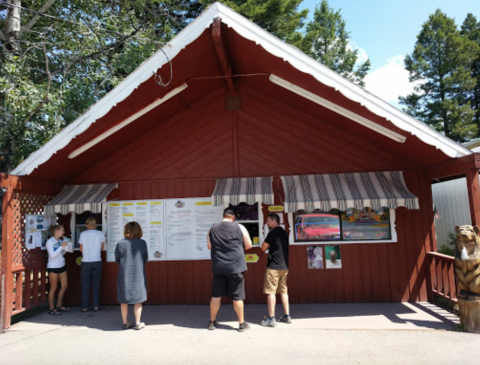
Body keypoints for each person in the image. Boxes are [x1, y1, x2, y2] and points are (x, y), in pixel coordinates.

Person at [207, 208, 253, 332]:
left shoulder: (212, 228)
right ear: (233, 217)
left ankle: (212, 322)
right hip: (236, 267)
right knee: (237, 297)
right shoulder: (240, 227)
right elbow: (249, 245)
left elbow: (209, 246)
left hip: (219, 266)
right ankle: (241, 324)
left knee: (216, 295)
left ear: (223, 216)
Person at [115, 221, 148, 330]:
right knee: (138, 300)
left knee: (124, 300)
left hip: (124, 275)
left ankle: (125, 322)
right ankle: (138, 323)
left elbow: (117, 259)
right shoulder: (142, 243)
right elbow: (145, 259)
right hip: (138, 274)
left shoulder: (120, 244)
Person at [260, 213, 291, 327]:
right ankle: (287, 316)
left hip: (273, 267)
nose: (267, 223)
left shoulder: (272, 233)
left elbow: (263, 247)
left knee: (271, 292)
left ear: (274, 220)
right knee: (283, 291)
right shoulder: (284, 232)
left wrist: (264, 236)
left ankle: (271, 318)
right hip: (284, 266)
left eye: (268, 221)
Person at [79, 217, 105, 312]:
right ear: (95, 225)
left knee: (85, 284)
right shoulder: (100, 234)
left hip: (86, 261)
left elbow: (81, 249)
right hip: (97, 260)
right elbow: (102, 248)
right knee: (96, 284)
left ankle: (84, 306)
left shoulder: (83, 234)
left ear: (86, 225)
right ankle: (95, 305)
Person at [46, 224, 70, 315]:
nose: (63, 232)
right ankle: (51, 307)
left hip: (61, 265)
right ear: (56, 231)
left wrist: (65, 247)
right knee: (54, 287)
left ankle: (59, 304)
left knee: (64, 285)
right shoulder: (50, 242)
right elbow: (52, 255)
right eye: (62, 230)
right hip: (53, 266)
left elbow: (60, 253)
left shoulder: (60, 241)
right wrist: (61, 246)